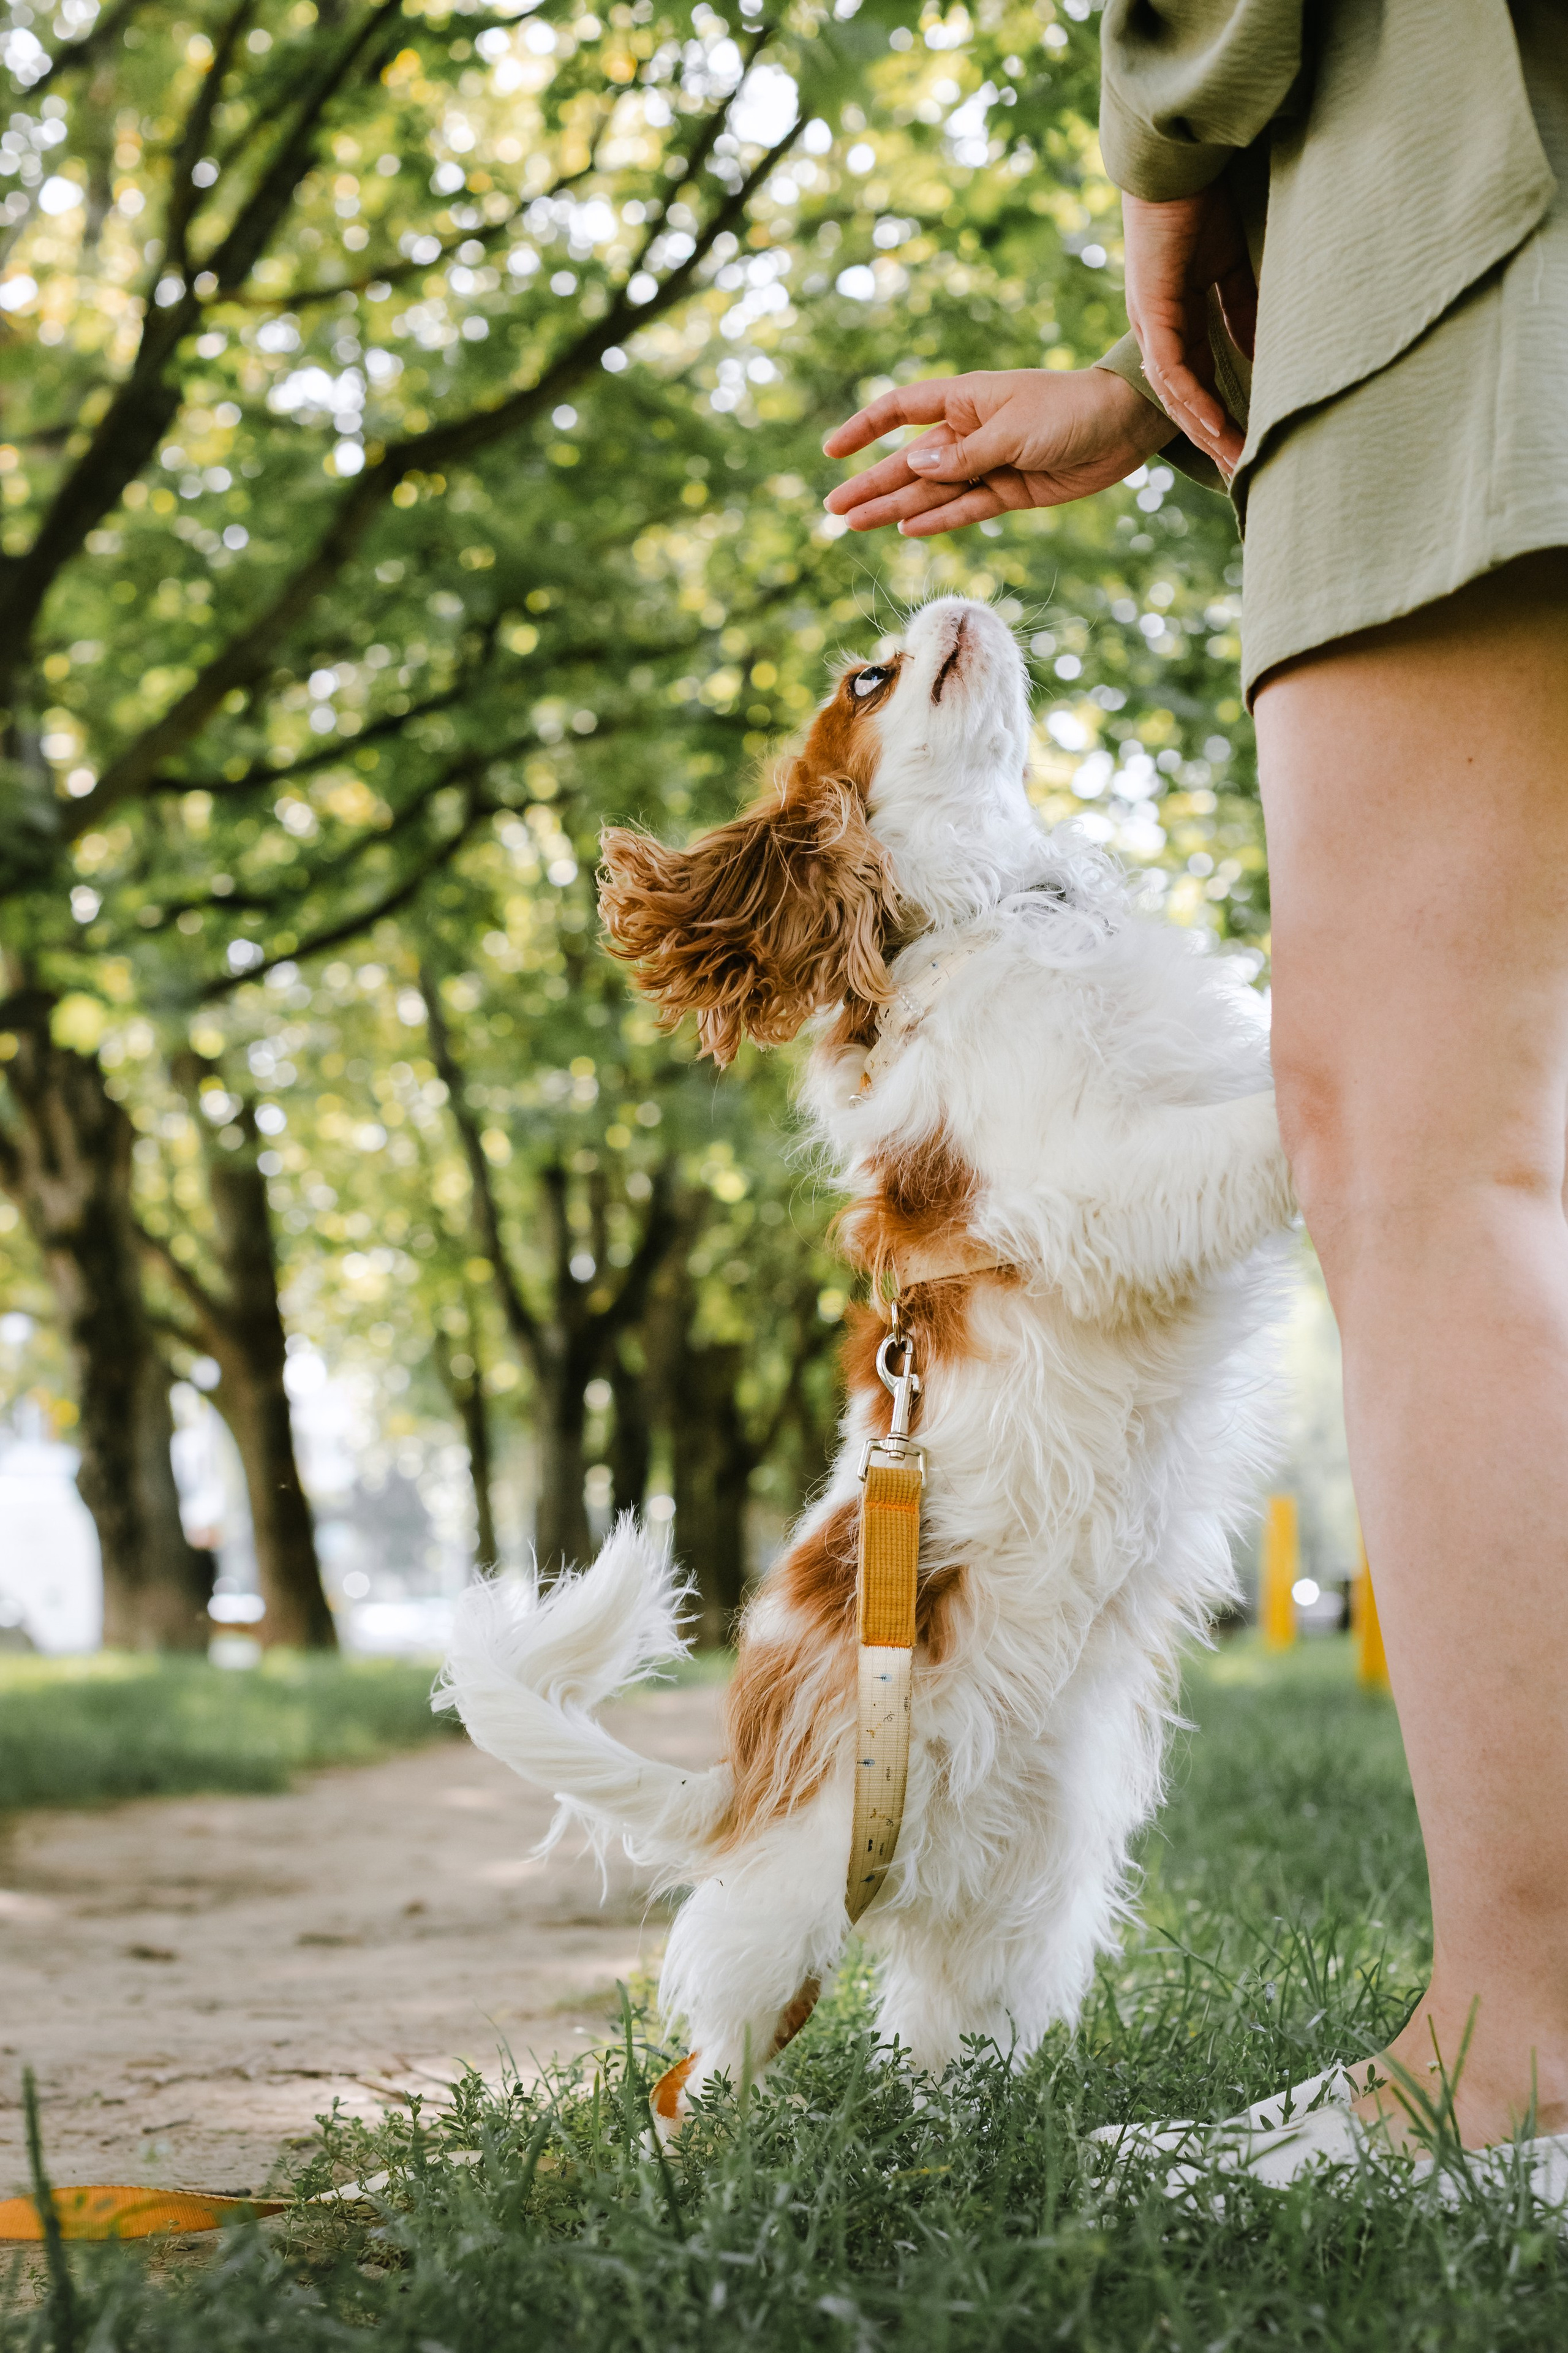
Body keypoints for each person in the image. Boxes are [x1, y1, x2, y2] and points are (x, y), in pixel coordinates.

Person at [822, 0, 1568, 2171]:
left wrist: (1182, 149)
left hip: (1468, 220)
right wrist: (1156, 401)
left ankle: (1522, 2067)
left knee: (1428, 1144)